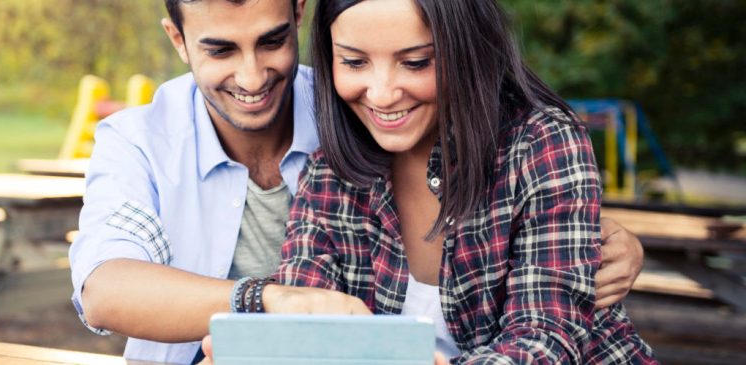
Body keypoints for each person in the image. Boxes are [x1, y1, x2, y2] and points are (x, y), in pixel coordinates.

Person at [69, 1, 645, 364]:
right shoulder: (141, 140)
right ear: (178, 39)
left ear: (298, 16)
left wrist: (579, 227)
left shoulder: (348, 112)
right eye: (220, 49)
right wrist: (268, 315)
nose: (251, 76)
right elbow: (105, 288)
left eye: (271, 42)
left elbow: (543, 332)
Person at [262, 0, 657, 363]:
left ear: (468, 48)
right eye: (354, 62)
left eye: (415, 62)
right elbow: (305, 321)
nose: (381, 95)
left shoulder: (542, 144)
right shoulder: (327, 174)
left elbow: (546, 337)